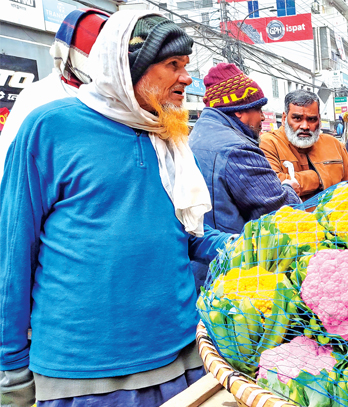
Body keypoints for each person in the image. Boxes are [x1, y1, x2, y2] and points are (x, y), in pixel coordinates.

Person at [0, 11, 236, 406]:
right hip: (86, 373)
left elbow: (183, 234)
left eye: (186, 66)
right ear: (130, 69)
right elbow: (12, 251)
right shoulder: (50, 128)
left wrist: (264, 240)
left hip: (185, 354)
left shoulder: (165, 134)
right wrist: (11, 367)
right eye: (173, 66)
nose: (186, 78)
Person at [188, 63, 301, 285]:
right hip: (232, 269)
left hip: (199, 265)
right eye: (258, 110)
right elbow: (280, 210)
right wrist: (289, 189)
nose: (262, 118)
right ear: (239, 111)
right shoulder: (237, 149)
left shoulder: (197, 136)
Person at [0, 9, 109, 178]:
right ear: (71, 51)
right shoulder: (39, 98)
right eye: (99, 52)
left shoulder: (119, 98)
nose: (110, 61)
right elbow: (10, 168)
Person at [260, 90, 348, 201]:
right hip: (292, 217)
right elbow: (271, 185)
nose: (305, 126)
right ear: (284, 118)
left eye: (311, 119)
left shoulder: (334, 145)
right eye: (297, 118)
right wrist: (317, 177)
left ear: (319, 119)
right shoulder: (268, 143)